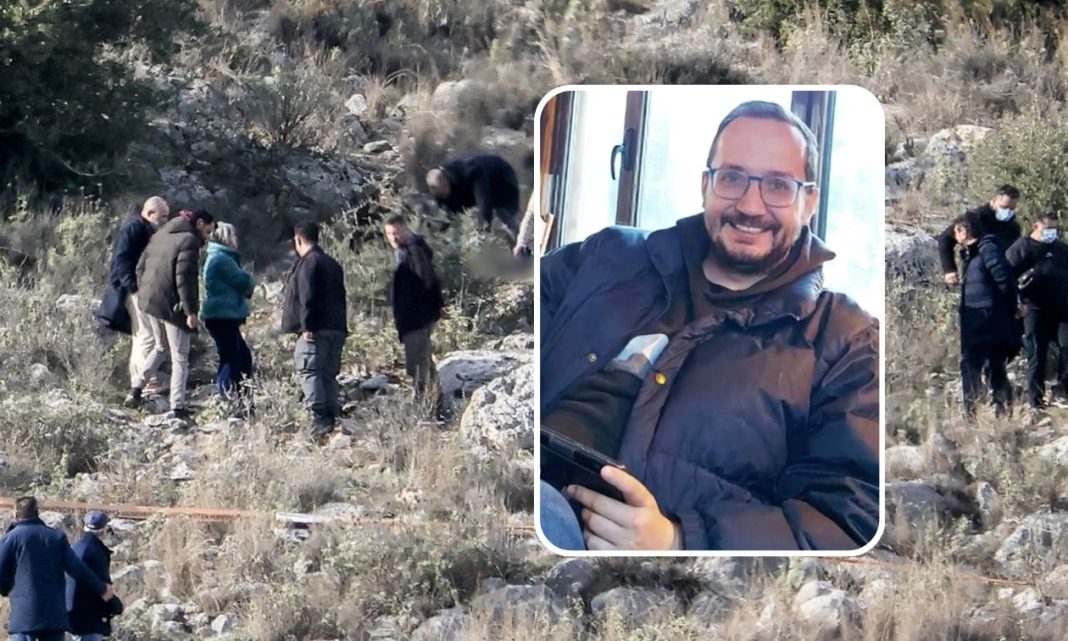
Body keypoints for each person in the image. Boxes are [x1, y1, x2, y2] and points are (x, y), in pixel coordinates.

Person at [538, 100, 879, 551]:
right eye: (732, 178)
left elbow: (849, 518)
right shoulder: (607, 255)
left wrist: (680, 540)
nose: (750, 206)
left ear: (809, 201)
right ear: (705, 185)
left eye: (778, 185)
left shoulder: (845, 341)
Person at [127, 209, 216, 420]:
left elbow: (139, 268)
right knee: (180, 356)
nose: (208, 237)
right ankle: (177, 407)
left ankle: (136, 390)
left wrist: (147, 291)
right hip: (171, 305)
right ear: (199, 223)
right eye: (207, 231)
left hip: (149, 301)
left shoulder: (161, 234)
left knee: (160, 347)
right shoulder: (189, 241)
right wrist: (190, 311)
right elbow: (185, 279)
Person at [0, 497, 115, 641]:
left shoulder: (11, 538)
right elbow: (77, 568)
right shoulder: (56, 537)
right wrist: (101, 588)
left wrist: (6, 589)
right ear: (37, 513)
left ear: (16, 514)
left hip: (24, 615)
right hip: (53, 616)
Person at [281, 222, 348, 438]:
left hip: (316, 329)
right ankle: (332, 417)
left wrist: (307, 325)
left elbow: (307, 295)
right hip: (336, 327)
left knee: (309, 371)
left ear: (298, 239)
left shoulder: (308, 263)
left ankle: (320, 420)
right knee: (328, 373)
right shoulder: (332, 263)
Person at [97, 197, 169, 397]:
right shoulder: (135, 229)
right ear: (150, 213)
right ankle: (145, 383)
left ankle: (140, 382)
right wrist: (134, 287)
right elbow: (123, 259)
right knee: (148, 335)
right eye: (162, 216)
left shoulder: (142, 229)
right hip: (135, 290)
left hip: (138, 288)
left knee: (142, 335)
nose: (165, 220)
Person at [954, 213, 1020, 420]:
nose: (955, 236)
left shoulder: (987, 248)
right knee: (992, 366)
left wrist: (1013, 307)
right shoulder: (972, 254)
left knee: (974, 365)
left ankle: (976, 415)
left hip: (987, 321)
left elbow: (1004, 279)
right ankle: (998, 413)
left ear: (964, 231)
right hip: (979, 321)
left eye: (956, 231)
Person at [383, 214, 446, 415]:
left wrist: (433, 306)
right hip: (413, 318)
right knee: (423, 362)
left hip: (416, 318)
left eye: (395, 233)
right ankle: (437, 407)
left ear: (404, 228)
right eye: (389, 234)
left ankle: (427, 410)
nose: (393, 238)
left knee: (418, 365)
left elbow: (428, 279)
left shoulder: (414, 250)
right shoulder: (405, 251)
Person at [1006, 211, 1068, 411]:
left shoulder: (1060, 248)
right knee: (1037, 354)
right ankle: (1036, 401)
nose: (1051, 232)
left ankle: (1062, 391)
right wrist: (1015, 302)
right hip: (1033, 309)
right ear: (1035, 226)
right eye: (1047, 228)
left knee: (1067, 346)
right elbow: (1006, 277)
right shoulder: (1022, 248)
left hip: (1061, 309)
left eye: (1054, 228)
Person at [201, 222, 256, 409]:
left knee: (239, 356)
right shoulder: (222, 259)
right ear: (225, 237)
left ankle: (240, 398)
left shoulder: (218, 257)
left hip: (221, 315)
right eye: (233, 235)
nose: (236, 239)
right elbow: (244, 281)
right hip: (222, 315)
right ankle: (231, 399)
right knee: (232, 358)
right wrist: (250, 283)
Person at [937, 184, 1021, 285]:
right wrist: (949, 270)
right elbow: (945, 238)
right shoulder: (974, 218)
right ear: (994, 200)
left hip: (1000, 277)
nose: (1007, 212)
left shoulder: (1013, 228)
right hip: (974, 275)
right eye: (1004, 207)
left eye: (1012, 209)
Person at [426, 154, 520, 239]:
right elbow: (448, 215)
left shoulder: (471, 172)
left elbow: (484, 204)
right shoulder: (439, 191)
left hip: (502, 180)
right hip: (470, 191)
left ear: (447, 180)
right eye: (442, 194)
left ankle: (519, 240)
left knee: (504, 217)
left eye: (444, 190)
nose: (444, 195)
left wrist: (481, 233)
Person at [66, 511, 124, 641]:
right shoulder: (96, 552)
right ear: (104, 530)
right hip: (89, 618)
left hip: (71, 616)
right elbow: (100, 586)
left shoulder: (75, 548)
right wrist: (115, 605)